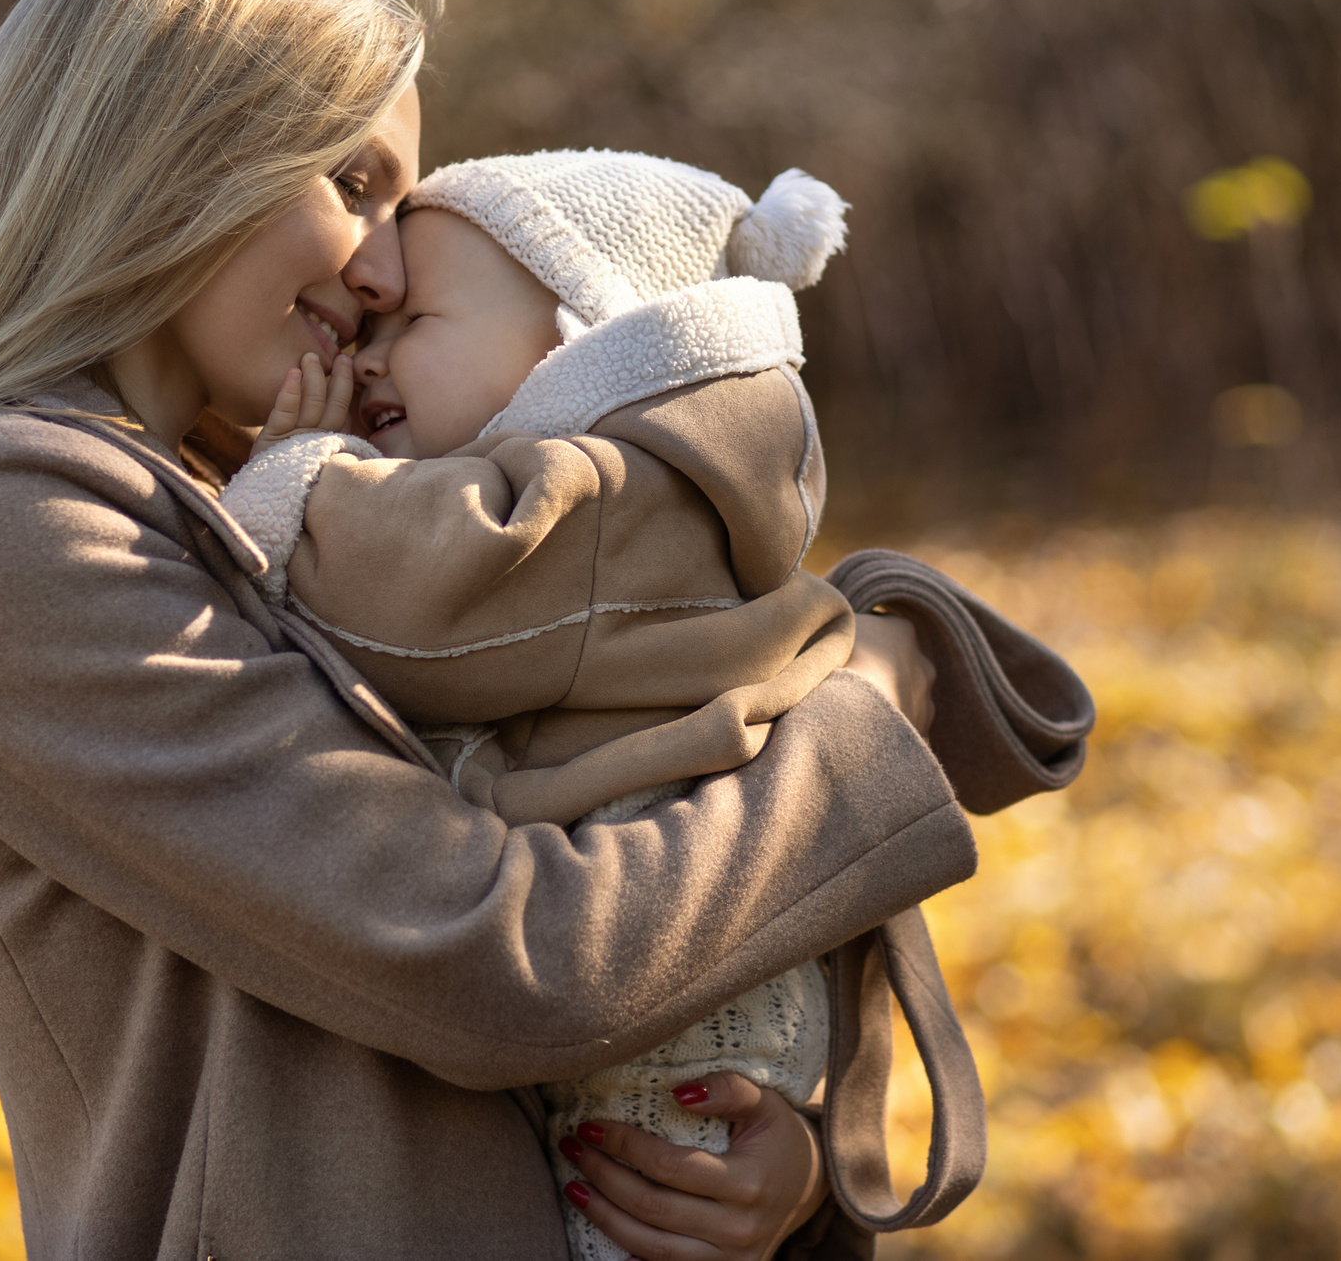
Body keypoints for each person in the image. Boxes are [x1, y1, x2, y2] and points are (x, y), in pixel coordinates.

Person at [0, 0, 1094, 1259]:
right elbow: (497, 959)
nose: (387, 265)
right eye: (351, 186)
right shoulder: (1, 519)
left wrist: (763, 1165)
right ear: (170, 150)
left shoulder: (280, 498)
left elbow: (581, 816)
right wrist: (871, 711)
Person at [221, 148, 1086, 1261]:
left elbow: (402, 610)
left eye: (413, 321)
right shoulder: (653, 486)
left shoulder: (597, 496)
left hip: (661, 984)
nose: (366, 346)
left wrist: (299, 472)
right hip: (680, 944)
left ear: (579, 341)